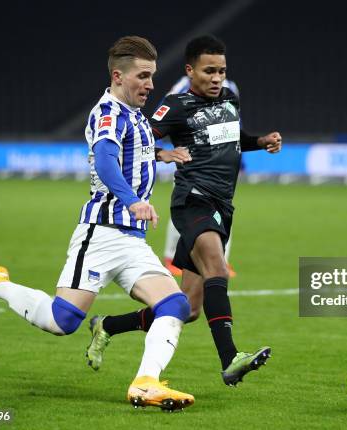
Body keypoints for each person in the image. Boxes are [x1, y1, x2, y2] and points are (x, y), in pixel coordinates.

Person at [0, 36, 194, 411]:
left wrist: (164, 155)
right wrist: (132, 201)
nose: (150, 84)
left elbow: (134, 153)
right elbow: (105, 160)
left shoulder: (133, 114)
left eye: (152, 76)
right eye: (143, 76)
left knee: (175, 305)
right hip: (101, 234)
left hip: (132, 241)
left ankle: (146, 384)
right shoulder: (108, 112)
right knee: (61, 320)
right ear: (118, 76)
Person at [86, 35, 282, 386]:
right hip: (193, 201)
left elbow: (233, 139)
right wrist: (164, 154)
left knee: (188, 309)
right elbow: (141, 139)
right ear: (191, 70)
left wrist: (260, 142)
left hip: (223, 205)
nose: (217, 77)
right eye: (209, 71)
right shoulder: (176, 105)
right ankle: (231, 358)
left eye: (222, 71)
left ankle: (107, 325)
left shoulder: (230, 100)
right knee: (217, 266)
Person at [160, 75, 240, 278]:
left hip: (220, 165)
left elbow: (233, 118)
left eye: (221, 69)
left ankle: (220, 261)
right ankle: (171, 258)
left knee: (223, 212)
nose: (216, 76)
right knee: (185, 208)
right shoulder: (183, 85)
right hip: (193, 163)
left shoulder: (230, 88)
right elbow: (170, 112)